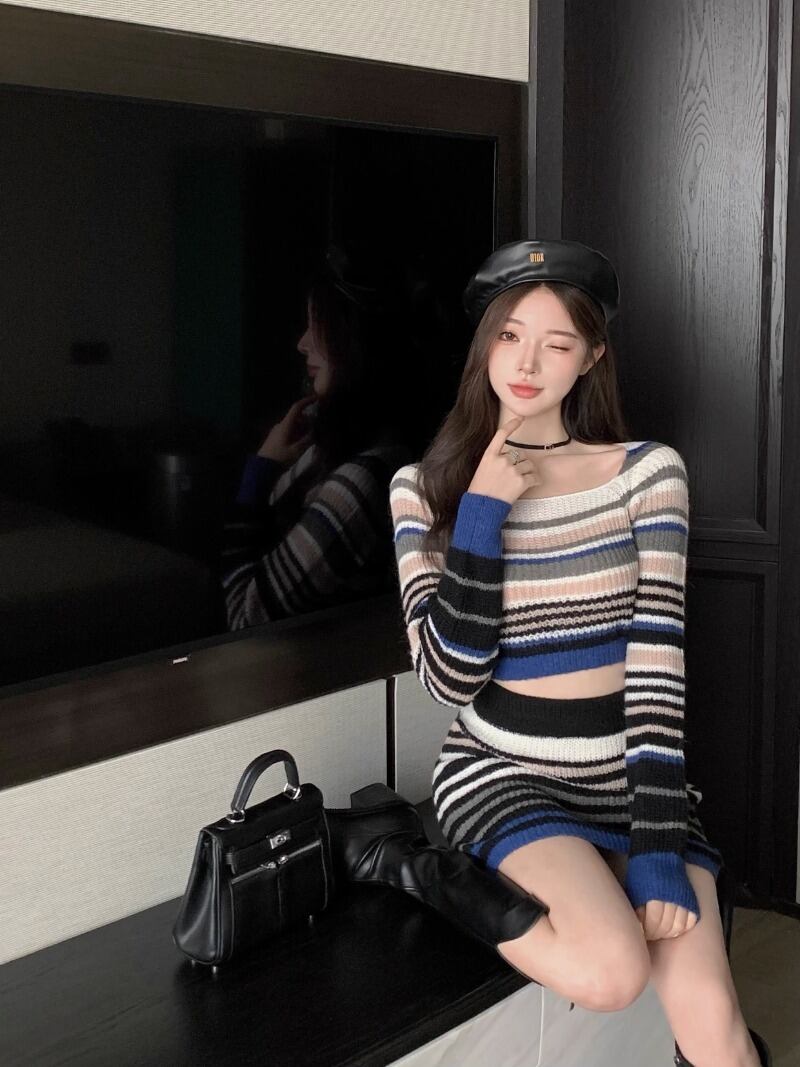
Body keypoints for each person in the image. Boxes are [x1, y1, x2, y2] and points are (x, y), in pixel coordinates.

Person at [381, 240, 770, 1067]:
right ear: (484, 343)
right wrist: (481, 516)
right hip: (504, 772)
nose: (526, 364)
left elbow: (658, 663)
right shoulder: (424, 489)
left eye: (556, 344)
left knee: (719, 1035)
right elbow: (447, 678)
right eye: (509, 336)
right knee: (611, 970)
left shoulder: (647, 474)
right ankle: (411, 866)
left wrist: (657, 845)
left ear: (591, 356)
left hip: (630, 782)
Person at [221, 243, 414, 626]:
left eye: (316, 326)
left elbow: (244, 618)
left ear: (353, 340)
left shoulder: (362, 484)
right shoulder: (329, 439)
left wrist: (259, 472)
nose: (302, 343)